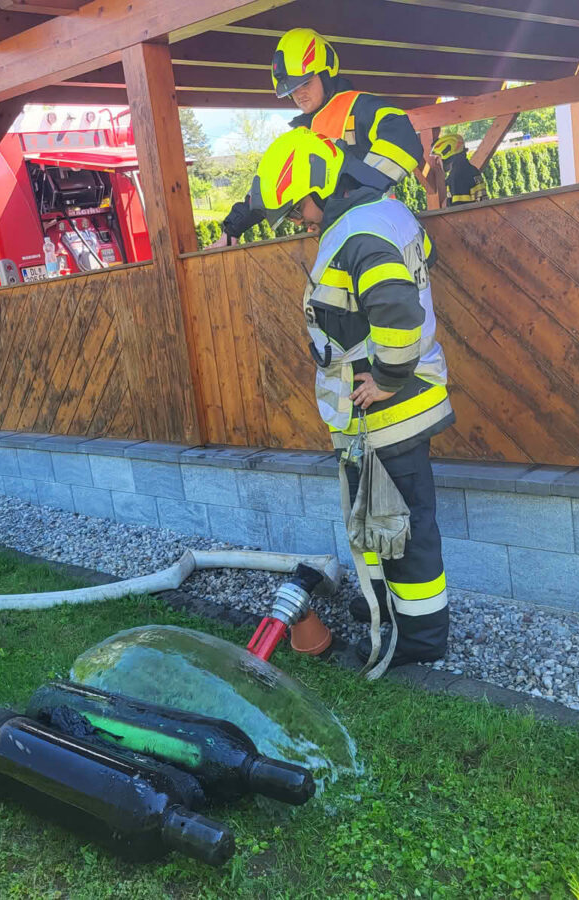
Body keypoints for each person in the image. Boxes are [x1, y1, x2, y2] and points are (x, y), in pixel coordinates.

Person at [249, 127, 455, 671]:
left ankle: (418, 642)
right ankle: (395, 620)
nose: (299, 222)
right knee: (399, 528)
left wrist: (388, 377)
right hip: (395, 412)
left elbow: (397, 310)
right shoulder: (388, 214)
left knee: (399, 532)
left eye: (298, 210)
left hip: (387, 414)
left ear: (320, 187)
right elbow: (422, 265)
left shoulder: (354, 237)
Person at [214, 27, 423, 246]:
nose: (300, 94)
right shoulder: (301, 134)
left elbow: (402, 135)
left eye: (306, 83)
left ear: (326, 74)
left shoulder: (359, 108)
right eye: (292, 90)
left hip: (380, 230)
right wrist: (231, 231)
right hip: (337, 237)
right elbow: (269, 188)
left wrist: (359, 186)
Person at [430, 133, 488, 206]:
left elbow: (458, 209)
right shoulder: (471, 169)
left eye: (438, 157)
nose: (437, 162)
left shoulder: (457, 176)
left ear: (447, 154)